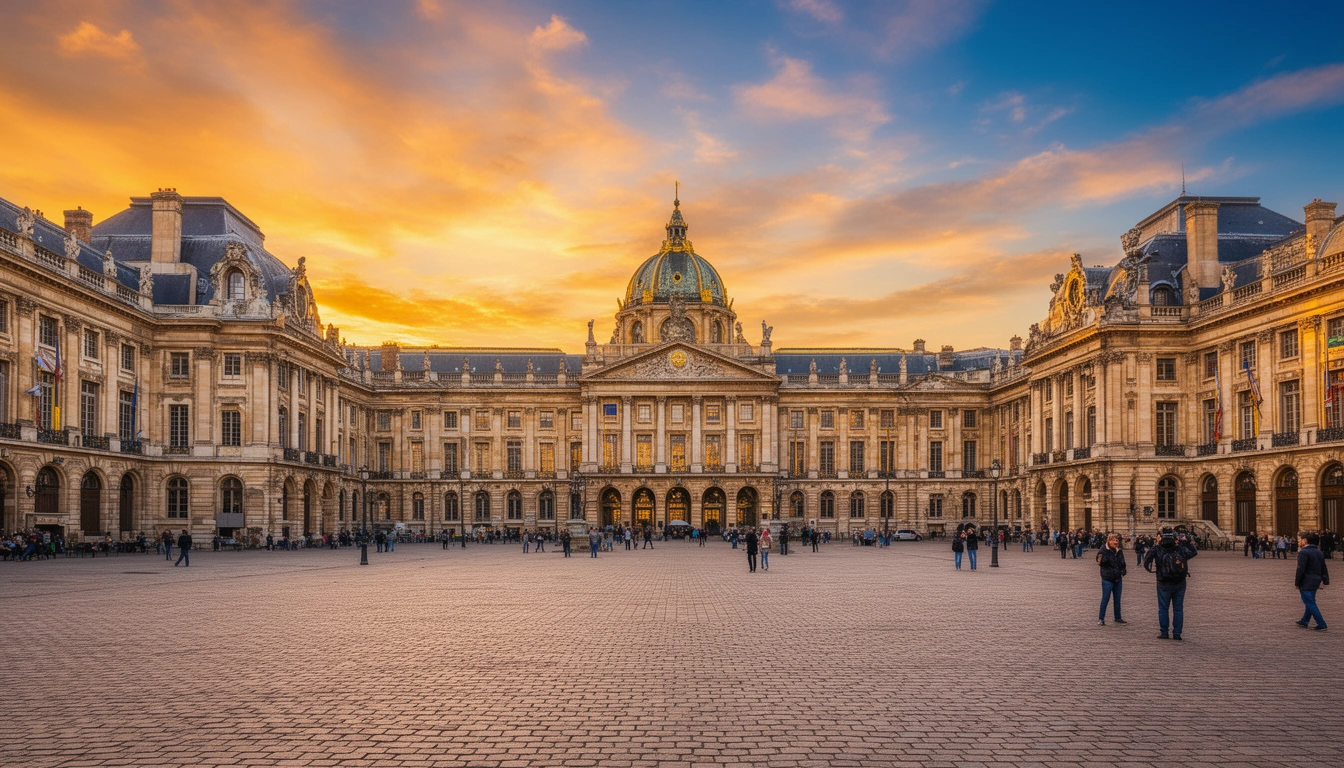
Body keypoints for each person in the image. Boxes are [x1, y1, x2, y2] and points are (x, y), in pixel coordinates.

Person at [1142, 527, 1197, 640]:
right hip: (1180, 582)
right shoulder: (1180, 548)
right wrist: (1186, 542)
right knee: (1178, 609)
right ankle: (1177, 634)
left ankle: (1164, 632)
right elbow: (1193, 552)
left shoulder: (1158, 548)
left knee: (1163, 608)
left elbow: (1147, 560)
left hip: (1163, 581)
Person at [1295, 532, 1330, 630]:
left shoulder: (1304, 552)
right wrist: (1325, 580)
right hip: (1316, 580)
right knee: (1310, 601)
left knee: (1309, 602)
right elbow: (1323, 567)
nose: (1299, 541)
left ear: (1305, 541)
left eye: (1301, 539)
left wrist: (1297, 582)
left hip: (1306, 581)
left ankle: (1321, 623)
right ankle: (1304, 620)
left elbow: (1300, 569)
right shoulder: (1319, 552)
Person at [1096, 533, 1127, 625]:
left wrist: (1123, 571)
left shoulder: (1119, 551)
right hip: (1108, 579)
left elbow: (1122, 563)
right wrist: (1104, 552)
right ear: (1108, 541)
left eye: (1116, 540)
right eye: (1113, 540)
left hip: (1118, 579)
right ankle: (1101, 619)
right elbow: (1100, 562)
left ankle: (1118, 617)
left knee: (1117, 599)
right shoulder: (1104, 550)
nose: (1115, 542)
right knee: (1105, 599)